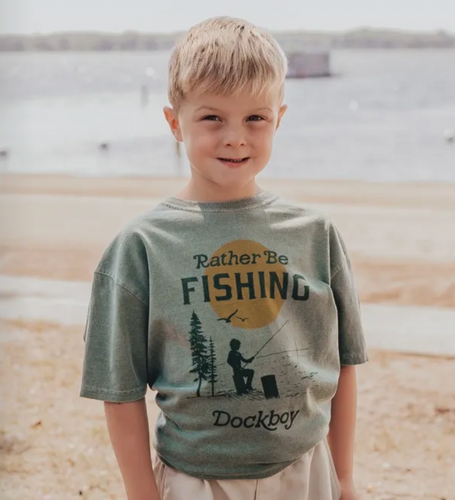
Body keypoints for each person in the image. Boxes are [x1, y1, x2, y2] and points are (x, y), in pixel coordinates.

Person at [80, 16, 368, 500]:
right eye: (213, 117)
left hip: (307, 470)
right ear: (175, 122)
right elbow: (120, 389)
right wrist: (142, 493)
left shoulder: (315, 234)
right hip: (196, 480)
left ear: (279, 117)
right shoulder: (142, 246)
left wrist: (346, 479)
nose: (236, 137)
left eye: (255, 117)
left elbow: (344, 362)